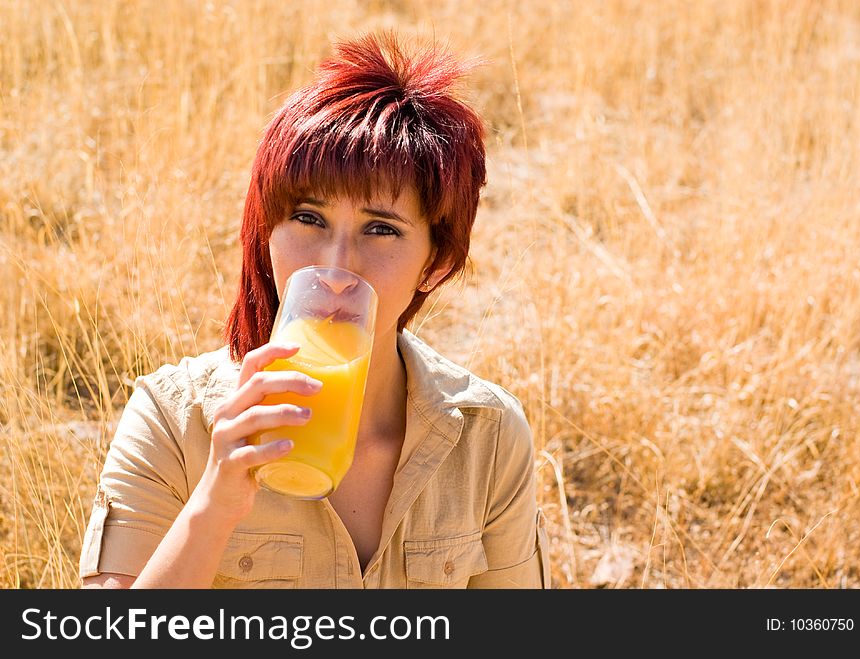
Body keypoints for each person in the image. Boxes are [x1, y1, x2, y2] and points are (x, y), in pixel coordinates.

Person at [79, 31, 549, 589]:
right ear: (267, 232)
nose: (337, 266)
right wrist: (214, 503)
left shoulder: (487, 436)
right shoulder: (173, 418)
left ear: (437, 263)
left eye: (382, 229)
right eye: (308, 219)